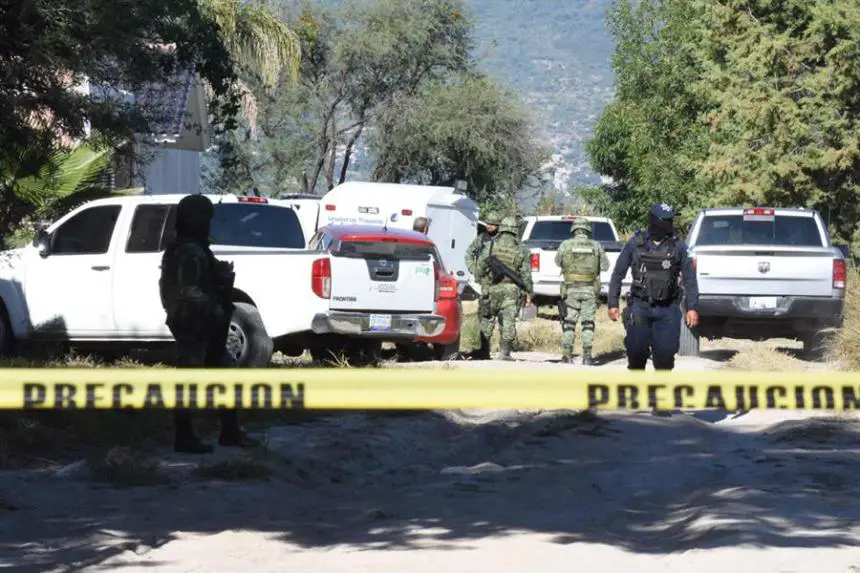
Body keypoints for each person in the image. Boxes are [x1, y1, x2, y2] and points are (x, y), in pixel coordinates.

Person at [159, 194, 259, 453]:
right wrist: (213, 309)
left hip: (203, 324)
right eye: (204, 218)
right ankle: (184, 436)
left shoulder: (195, 247)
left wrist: (221, 275)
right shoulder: (189, 250)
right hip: (193, 323)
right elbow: (188, 289)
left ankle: (229, 431)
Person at [606, 202, 699, 371]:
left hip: (668, 308)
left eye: (671, 220)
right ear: (655, 221)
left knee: (665, 358)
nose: (670, 224)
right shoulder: (635, 243)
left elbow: (690, 278)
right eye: (667, 220)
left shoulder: (678, 246)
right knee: (636, 354)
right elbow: (618, 274)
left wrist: (692, 307)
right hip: (640, 306)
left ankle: (659, 395)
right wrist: (613, 303)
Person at [475, 216, 533, 360]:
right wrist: (528, 293)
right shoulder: (522, 249)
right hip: (511, 290)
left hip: (492, 288)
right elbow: (526, 274)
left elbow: (480, 268)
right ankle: (505, 353)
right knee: (508, 320)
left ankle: (483, 352)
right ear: (515, 230)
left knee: (487, 318)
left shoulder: (491, 245)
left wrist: (483, 281)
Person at [555, 217, 609, 365]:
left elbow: (557, 261)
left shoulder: (565, 245)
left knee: (569, 323)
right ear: (588, 229)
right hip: (590, 289)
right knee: (588, 323)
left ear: (574, 229)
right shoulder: (596, 245)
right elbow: (605, 266)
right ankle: (587, 357)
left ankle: (567, 356)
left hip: (571, 290)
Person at [464, 211, 501, 359]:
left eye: (493, 225)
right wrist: (474, 270)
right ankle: (483, 350)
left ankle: (505, 351)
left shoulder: (504, 240)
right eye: (489, 224)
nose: (490, 227)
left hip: (502, 283)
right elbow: (469, 254)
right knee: (485, 317)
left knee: (505, 318)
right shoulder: (482, 239)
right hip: (486, 282)